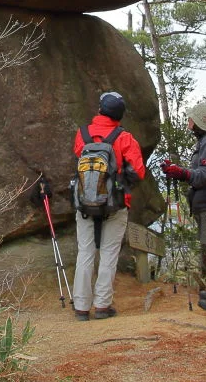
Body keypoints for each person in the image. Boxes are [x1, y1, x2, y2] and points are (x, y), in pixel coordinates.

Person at [71, 91, 146, 321]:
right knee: (108, 253)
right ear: (120, 114)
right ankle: (102, 306)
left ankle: (81, 307)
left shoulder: (82, 134)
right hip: (115, 204)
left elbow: (78, 157)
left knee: (85, 252)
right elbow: (139, 172)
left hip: (84, 203)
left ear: (100, 109)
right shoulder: (125, 138)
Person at [161, 103, 206, 313]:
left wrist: (183, 173)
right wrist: (178, 171)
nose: (188, 122)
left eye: (191, 119)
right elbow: (202, 172)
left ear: (199, 122)